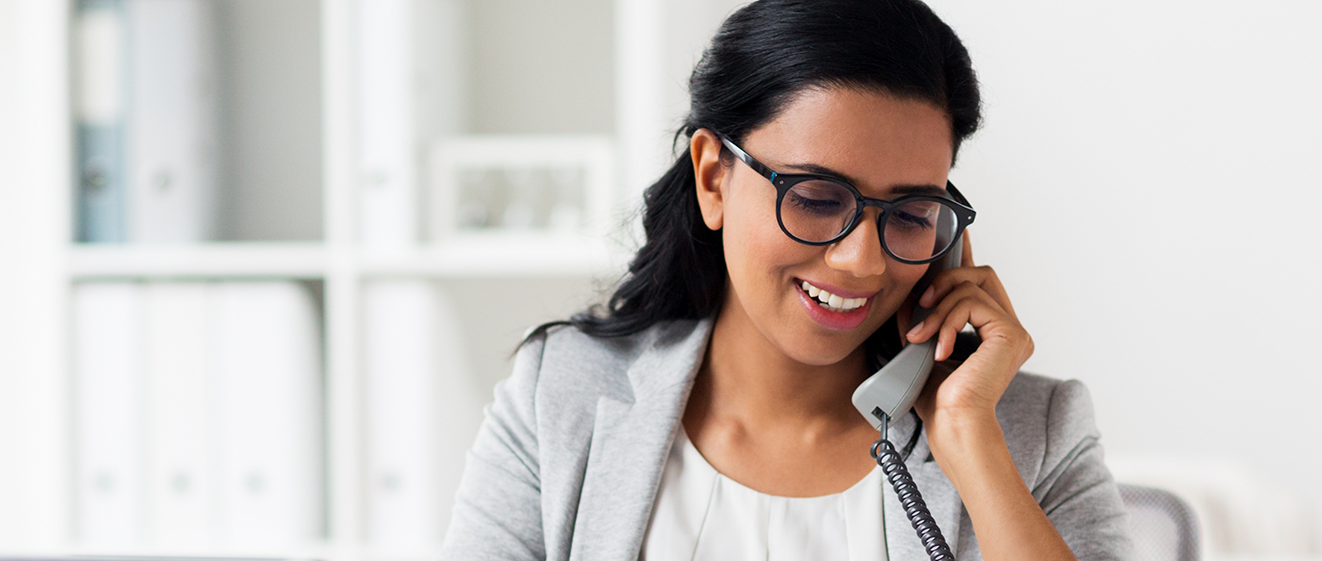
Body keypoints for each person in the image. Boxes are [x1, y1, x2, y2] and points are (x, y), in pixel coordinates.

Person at [440, 1, 1130, 559]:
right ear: (714, 177)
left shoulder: (1033, 430)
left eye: (913, 211)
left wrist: (972, 444)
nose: (863, 259)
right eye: (816, 197)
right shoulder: (560, 398)